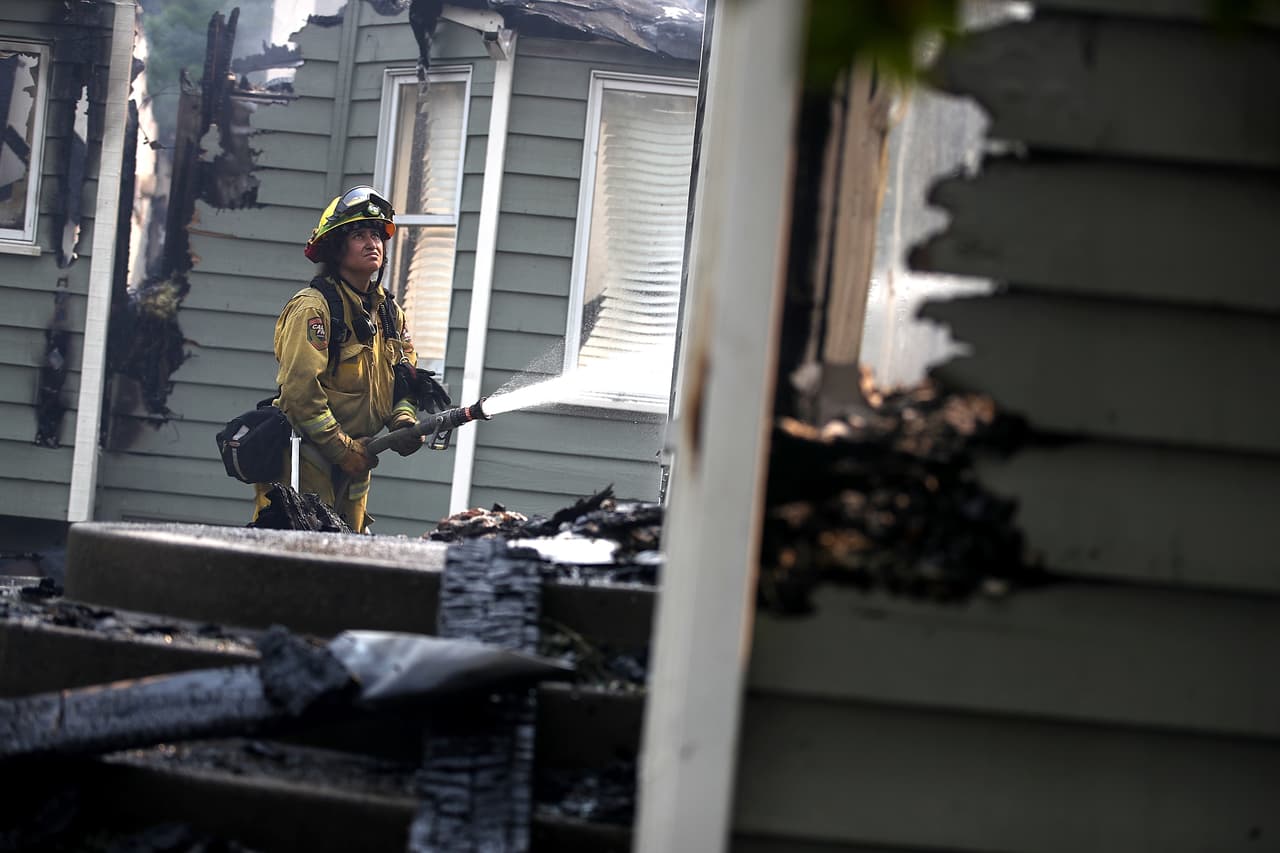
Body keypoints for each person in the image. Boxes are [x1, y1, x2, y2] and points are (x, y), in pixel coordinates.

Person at [251, 186, 444, 532]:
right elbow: (300, 395)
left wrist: (402, 421)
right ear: (337, 248)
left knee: (344, 560)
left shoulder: (389, 315)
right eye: (359, 235)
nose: (373, 243)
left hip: (358, 462)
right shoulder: (313, 308)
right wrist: (344, 450)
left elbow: (406, 374)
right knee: (298, 560)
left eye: (376, 234)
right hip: (306, 460)